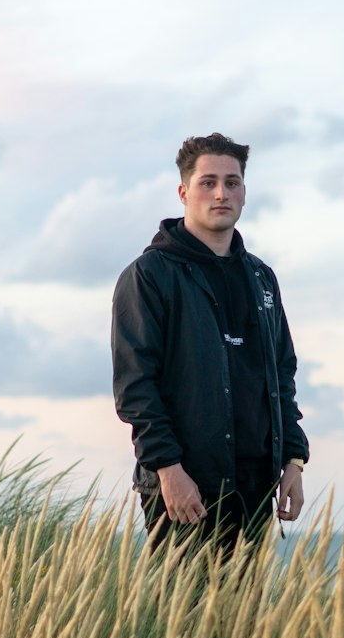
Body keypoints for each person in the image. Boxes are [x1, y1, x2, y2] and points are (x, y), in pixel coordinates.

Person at [111, 132, 308, 551]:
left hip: (255, 488)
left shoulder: (261, 278)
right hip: (183, 490)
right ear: (183, 192)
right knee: (183, 616)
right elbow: (136, 387)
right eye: (208, 182)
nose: (222, 193)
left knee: (243, 618)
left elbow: (281, 375)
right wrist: (167, 469)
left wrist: (293, 460)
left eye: (232, 182)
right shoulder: (150, 275)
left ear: (244, 192)